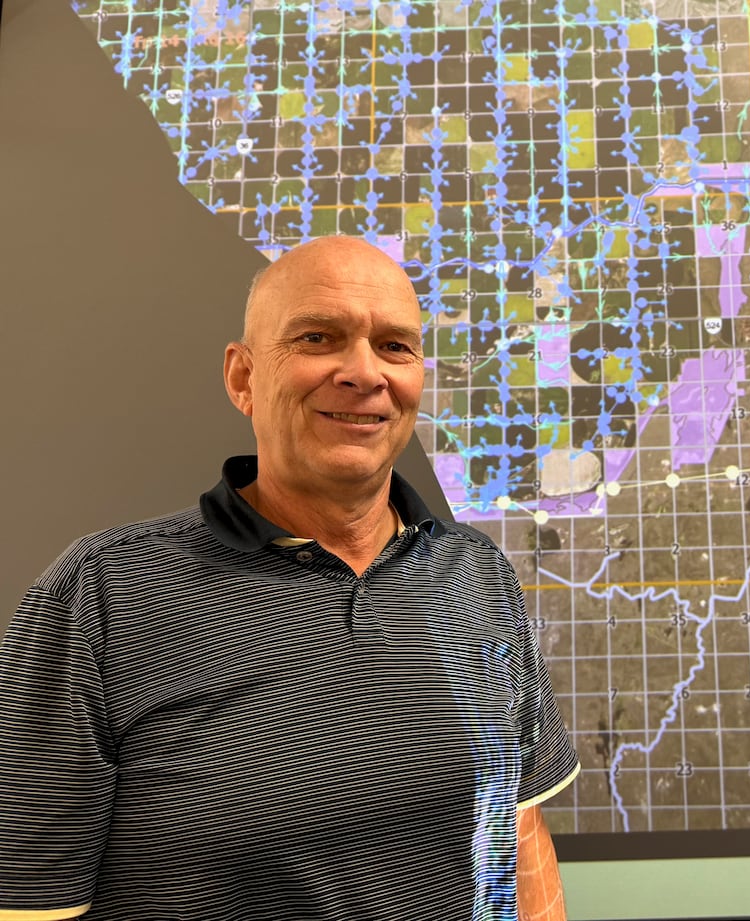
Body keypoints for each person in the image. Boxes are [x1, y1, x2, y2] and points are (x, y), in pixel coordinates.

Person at [0, 236, 580, 921]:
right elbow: (27, 902)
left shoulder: (477, 575)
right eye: (317, 337)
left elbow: (517, 832)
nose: (364, 372)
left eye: (395, 346)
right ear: (242, 377)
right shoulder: (99, 595)